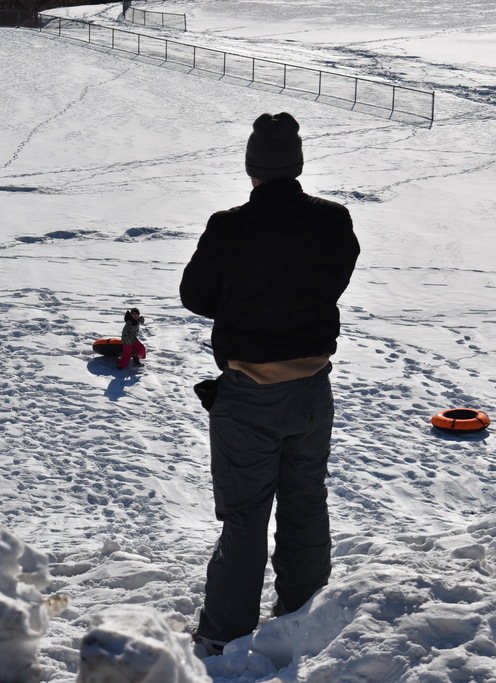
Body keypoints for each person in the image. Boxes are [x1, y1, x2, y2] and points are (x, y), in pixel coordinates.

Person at [179, 112, 360, 655]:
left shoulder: (229, 226)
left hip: (248, 394)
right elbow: (336, 278)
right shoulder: (333, 220)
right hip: (311, 390)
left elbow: (195, 295)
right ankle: (303, 612)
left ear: (252, 169)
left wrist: (244, 308)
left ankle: (222, 632)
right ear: (296, 166)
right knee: (306, 499)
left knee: (245, 514)